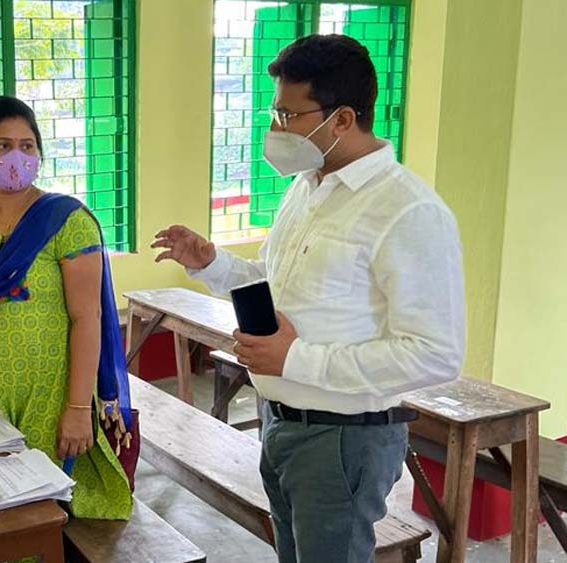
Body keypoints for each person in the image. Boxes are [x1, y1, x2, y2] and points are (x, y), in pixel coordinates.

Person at [153, 35, 465, 562]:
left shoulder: (407, 211)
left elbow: (435, 353)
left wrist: (296, 359)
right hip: (282, 422)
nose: (276, 129)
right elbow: (275, 284)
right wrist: (211, 263)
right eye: (275, 113)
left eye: (289, 115)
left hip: (342, 440)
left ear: (342, 119)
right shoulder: (307, 187)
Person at [0, 96, 134, 519]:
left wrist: (77, 409)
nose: (16, 157)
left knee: (41, 512)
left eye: (27, 146)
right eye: (3, 146)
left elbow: (87, 318)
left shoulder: (65, 221)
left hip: (49, 398)